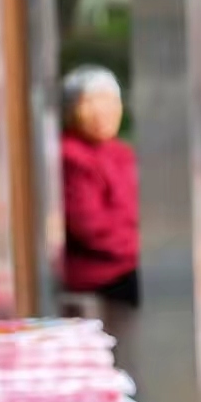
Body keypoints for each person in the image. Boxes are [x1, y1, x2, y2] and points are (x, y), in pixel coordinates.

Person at [60, 65, 140, 307]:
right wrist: (141, 248)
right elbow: (90, 228)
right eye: (90, 102)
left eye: (110, 101)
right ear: (71, 111)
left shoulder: (122, 153)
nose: (102, 111)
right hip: (100, 272)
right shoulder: (70, 156)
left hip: (132, 260)